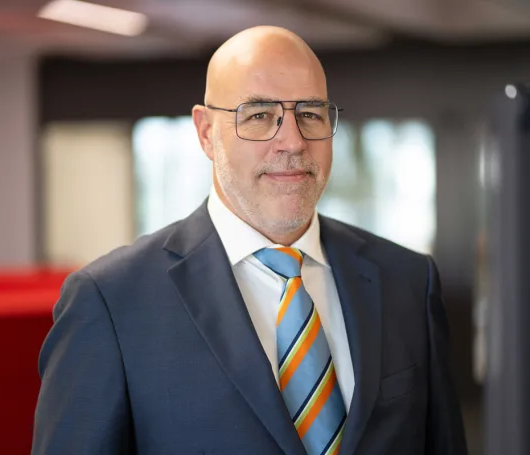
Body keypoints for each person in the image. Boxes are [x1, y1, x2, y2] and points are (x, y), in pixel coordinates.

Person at [32, 26, 468, 455]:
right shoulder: (112, 301)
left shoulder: (408, 281)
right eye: (259, 115)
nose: (292, 141)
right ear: (206, 133)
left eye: (310, 113)